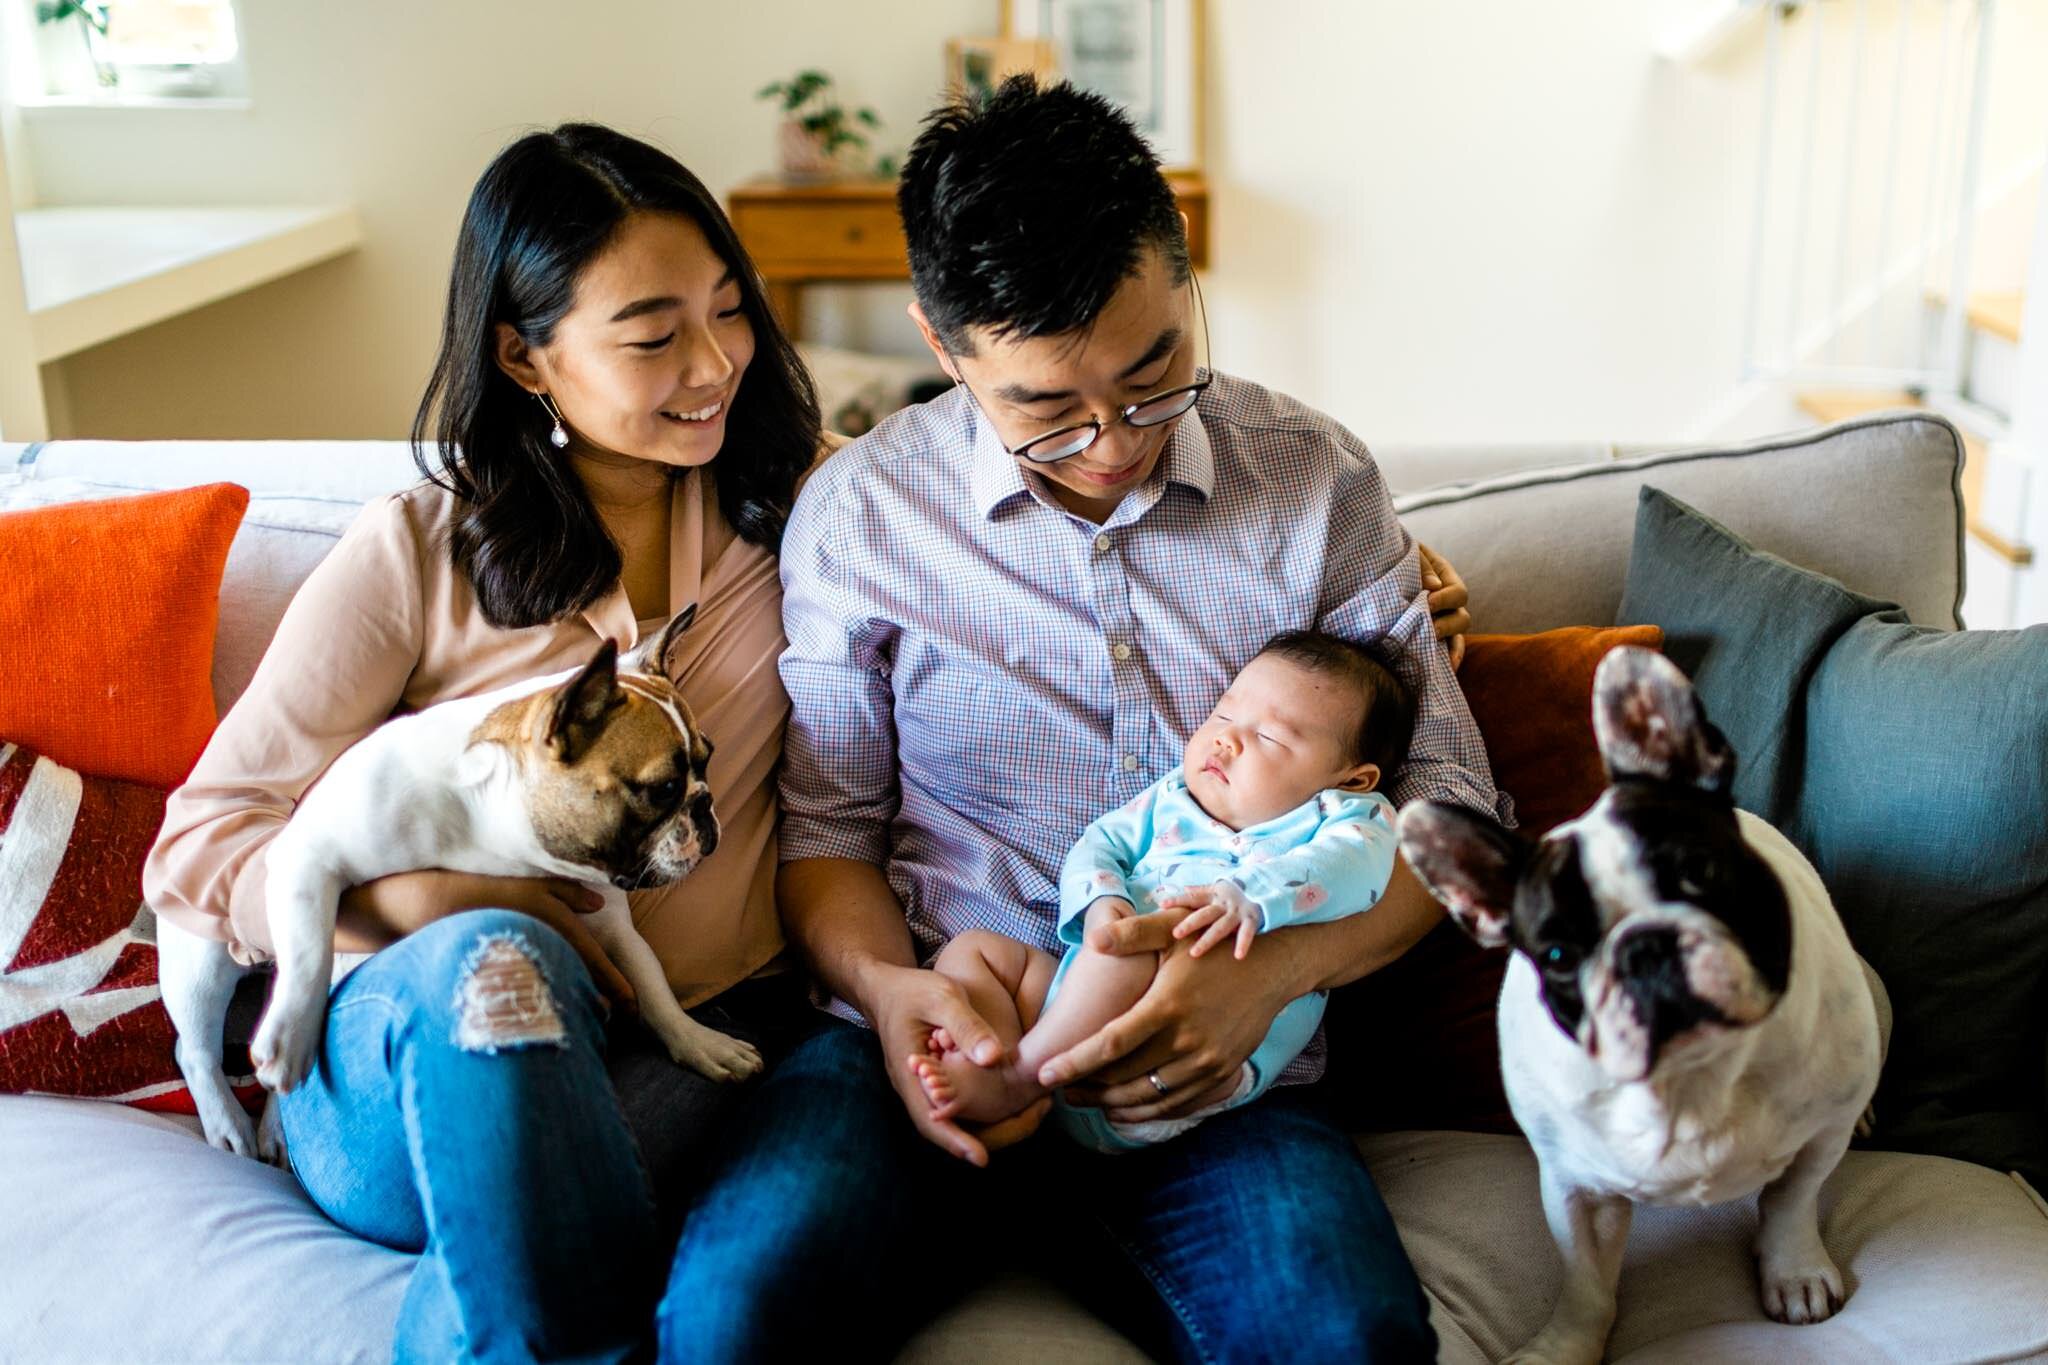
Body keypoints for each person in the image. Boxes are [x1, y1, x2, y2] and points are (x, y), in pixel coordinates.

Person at [661, 77, 1511, 1362]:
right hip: (938, 1030)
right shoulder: (865, 516)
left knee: (1344, 1338)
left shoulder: (1313, 478)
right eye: (1044, 409)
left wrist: (1267, 980)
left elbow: (1452, 814)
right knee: (732, 1317)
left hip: (1217, 1070)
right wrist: (893, 999)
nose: (1112, 443)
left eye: (1153, 370)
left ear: (1182, 279)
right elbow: (825, 837)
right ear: (943, 351)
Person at [143, 123, 824, 1363]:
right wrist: (427, 899)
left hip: (682, 1042)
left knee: (617, 1250)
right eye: (653, 332)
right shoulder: (418, 549)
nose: (716, 360)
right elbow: (203, 838)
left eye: (730, 310)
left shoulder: (811, 520)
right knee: (499, 958)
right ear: (523, 356)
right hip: (404, 1068)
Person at [912, 630, 1415, 1153]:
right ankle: (989, 1055)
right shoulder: (1175, 794)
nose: (1227, 739)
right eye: (1223, 714)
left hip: (1183, 1058)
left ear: (1352, 779)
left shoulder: (1352, 817)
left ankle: (1019, 1080)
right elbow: (1101, 842)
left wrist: (1247, 894)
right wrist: (1104, 900)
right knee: (978, 951)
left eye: (1271, 737)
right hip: (1072, 1007)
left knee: (1133, 948)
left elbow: (1353, 870)